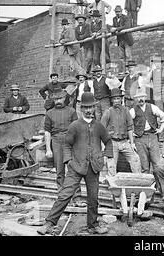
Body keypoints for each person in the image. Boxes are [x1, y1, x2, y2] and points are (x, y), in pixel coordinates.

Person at [37, 92, 112, 235]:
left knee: (93, 198)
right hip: (76, 166)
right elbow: (66, 145)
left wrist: (105, 156)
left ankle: (93, 225)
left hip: (93, 167)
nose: (89, 110)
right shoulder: (75, 126)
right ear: (81, 109)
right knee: (65, 195)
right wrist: (68, 161)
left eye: (91, 107)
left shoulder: (99, 126)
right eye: (86, 108)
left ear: (94, 108)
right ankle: (49, 223)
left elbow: (108, 141)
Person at [43, 90, 85, 207]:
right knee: (59, 171)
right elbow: (47, 132)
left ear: (64, 98)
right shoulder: (49, 113)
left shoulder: (71, 111)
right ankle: (62, 198)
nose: (58, 101)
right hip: (56, 141)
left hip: (70, 142)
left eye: (60, 99)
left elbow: (77, 129)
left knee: (74, 169)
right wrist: (48, 149)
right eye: (56, 99)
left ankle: (77, 198)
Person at [100, 88, 141, 176]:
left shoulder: (126, 111)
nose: (116, 101)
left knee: (135, 159)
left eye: (118, 98)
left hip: (124, 141)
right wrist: (103, 145)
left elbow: (130, 128)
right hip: (112, 142)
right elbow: (102, 129)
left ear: (121, 100)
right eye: (114, 99)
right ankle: (112, 183)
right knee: (111, 163)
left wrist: (132, 143)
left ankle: (138, 179)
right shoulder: (108, 112)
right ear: (112, 100)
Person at [129, 88, 164, 173]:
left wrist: (160, 129)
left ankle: (158, 185)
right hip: (140, 139)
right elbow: (127, 124)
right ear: (136, 99)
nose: (140, 99)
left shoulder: (152, 107)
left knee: (157, 164)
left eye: (142, 97)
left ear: (145, 97)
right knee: (144, 165)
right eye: (138, 97)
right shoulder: (133, 111)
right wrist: (132, 136)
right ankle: (147, 185)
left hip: (152, 137)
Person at [149, 56, 164, 141]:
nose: (157, 64)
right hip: (157, 96)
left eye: (158, 62)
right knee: (159, 115)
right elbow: (147, 80)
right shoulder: (153, 72)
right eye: (155, 62)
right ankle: (161, 135)